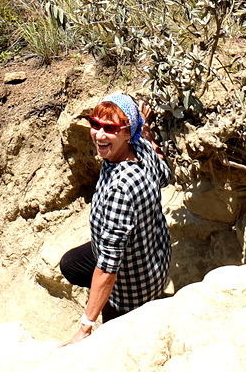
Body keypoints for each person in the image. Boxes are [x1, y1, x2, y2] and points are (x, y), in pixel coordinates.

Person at [60, 93, 171, 345]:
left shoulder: (121, 188)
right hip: (154, 258)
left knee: (115, 339)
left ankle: (120, 309)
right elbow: (165, 175)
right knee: (70, 264)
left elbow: (109, 266)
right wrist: (146, 132)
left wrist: (86, 326)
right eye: (95, 123)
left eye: (109, 128)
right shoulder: (140, 145)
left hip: (131, 290)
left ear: (125, 132)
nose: (99, 134)